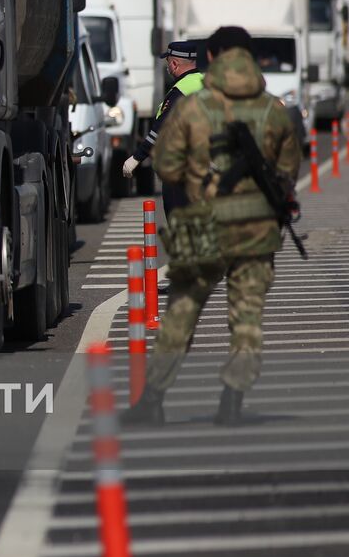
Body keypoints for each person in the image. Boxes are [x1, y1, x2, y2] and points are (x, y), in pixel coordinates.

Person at [123, 26, 300, 426]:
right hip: (255, 229)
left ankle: (152, 402)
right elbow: (289, 170)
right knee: (246, 319)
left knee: (182, 313)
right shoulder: (274, 108)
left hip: (202, 225)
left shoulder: (192, 104)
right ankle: (232, 402)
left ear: (214, 57)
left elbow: (167, 164)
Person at [123, 40, 205, 212]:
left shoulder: (180, 91)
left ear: (174, 64)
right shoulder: (207, 83)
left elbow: (161, 129)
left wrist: (137, 157)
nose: (167, 67)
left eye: (168, 62)